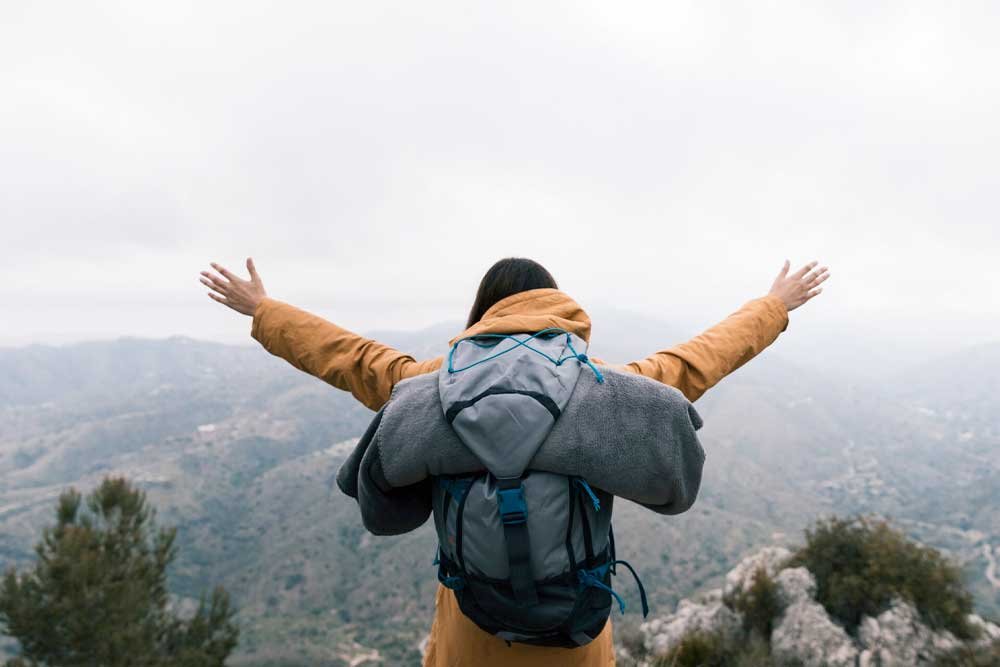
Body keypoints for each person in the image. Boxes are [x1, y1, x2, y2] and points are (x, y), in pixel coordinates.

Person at [199, 256, 829, 666]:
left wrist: (265, 310)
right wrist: (773, 306)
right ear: (557, 311)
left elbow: (353, 357)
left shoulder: (433, 386)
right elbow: (696, 361)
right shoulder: (605, 392)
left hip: (471, 634)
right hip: (572, 636)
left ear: (484, 314)